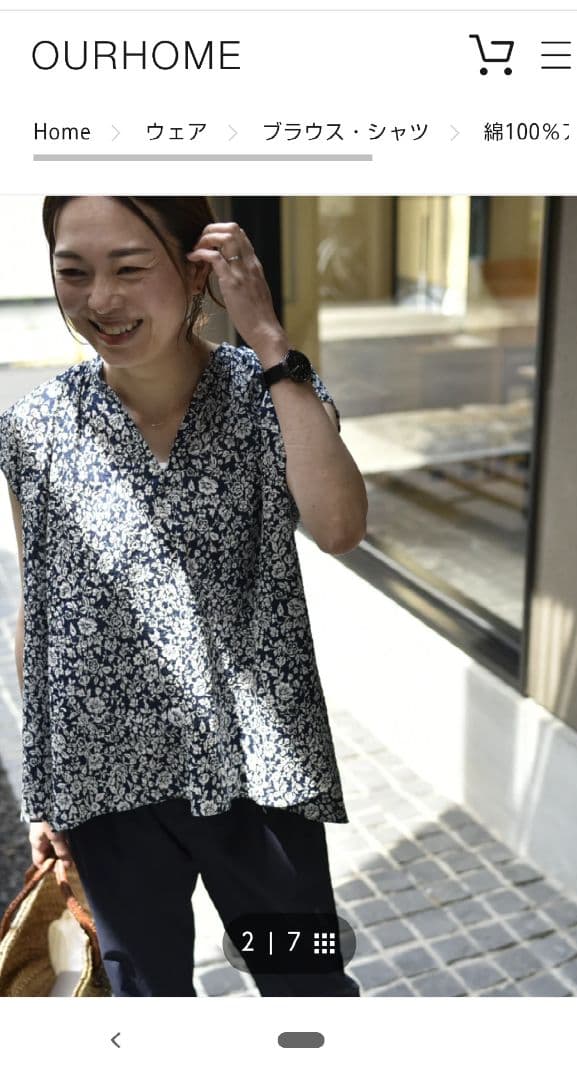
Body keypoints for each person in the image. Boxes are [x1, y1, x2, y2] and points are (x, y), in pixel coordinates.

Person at [0, 196, 368, 997]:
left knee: (307, 983)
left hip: (258, 772)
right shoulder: (33, 429)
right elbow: (40, 612)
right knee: (142, 1000)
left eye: (130, 267)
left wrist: (267, 336)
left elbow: (341, 527)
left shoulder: (270, 391)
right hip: (106, 778)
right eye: (74, 272)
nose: (100, 299)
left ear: (196, 269)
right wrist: (45, 793)